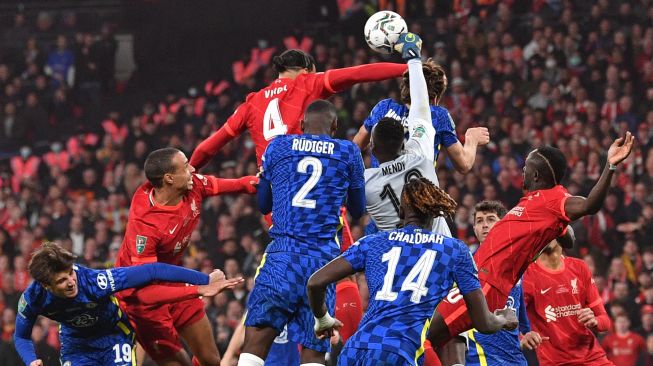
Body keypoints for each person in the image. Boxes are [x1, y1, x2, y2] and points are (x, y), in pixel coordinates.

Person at [429, 132, 635, 361]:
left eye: (525, 166)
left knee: (423, 336)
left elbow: (588, 206)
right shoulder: (537, 203)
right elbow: (566, 236)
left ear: (536, 174)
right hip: (479, 279)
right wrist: (560, 230)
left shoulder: (555, 199)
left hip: (486, 284)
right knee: (431, 339)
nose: (522, 171)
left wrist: (610, 166)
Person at [306, 176, 517, 366]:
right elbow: (484, 323)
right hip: (399, 353)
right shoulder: (454, 250)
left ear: (400, 211)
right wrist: (503, 318)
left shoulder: (373, 243)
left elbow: (315, 282)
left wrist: (322, 319)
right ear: (436, 213)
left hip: (355, 351)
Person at [238, 99, 366, 366]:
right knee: (314, 352)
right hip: (321, 265)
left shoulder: (279, 146)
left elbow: (263, 205)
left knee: (255, 344)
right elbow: (357, 209)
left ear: (301, 125)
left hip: (282, 258)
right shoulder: (347, 152)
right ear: (334, 126)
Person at [115, 147, 258, 366]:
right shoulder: (145, 223)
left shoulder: (191, 186)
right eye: (185, 166)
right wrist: (199, 287)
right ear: (169, 178)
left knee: (211, 361)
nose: (191, 169)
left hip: (175, 282)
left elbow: (233, 184)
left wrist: (257, 182)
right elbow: (145, 289)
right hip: (143, 299)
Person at [14, 243, 243, 366]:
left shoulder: (95, 282)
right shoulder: (33, 298)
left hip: (114, 335)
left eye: (70, 274)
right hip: (77, 345)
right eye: (61, 281)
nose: (71, 282)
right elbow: (21, 336)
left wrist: (203, 282)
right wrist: (31, 360)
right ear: (45, 285)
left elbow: (153, 270)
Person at [190, 49, 407, 168]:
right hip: (308, 176)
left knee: (286, 247)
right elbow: (357, 73)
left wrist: (192, 167)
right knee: (335, 248)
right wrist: (407, 68)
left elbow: (209, 146)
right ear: (305, 70)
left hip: (274, 189)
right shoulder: (307, 83)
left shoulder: (251, 102)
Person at [362, 34, 453, 235]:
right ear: (403, 144)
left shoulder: (368, 182)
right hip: (438, 249)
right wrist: (413, 58)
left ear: (373, 148)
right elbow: (421, 106)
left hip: (395, 254)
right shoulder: (420, 156)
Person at [352, 60, 489, 175]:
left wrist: (365, 181)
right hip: (416, 196)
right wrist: (472, 138)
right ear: (436, 97)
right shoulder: (437, 115)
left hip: (380, 196)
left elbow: (354, 148)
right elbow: (464, 165)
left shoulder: (383, 108)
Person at [462, 200, 538, 366]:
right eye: (479, 221)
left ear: (503, 225)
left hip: (513, 357)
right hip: (479, 356)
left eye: (490, 219)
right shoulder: (465, 264)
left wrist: (527, 333)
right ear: (474, 228)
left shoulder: (516, 264)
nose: (485, 225)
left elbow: (518, 309)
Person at [522, 240, 613, 365]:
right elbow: (510, 319)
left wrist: (595, 321)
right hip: (557, 361)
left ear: (562, 232)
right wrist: (521, 338)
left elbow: (605, 322)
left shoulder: (579, 267)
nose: (545, 234)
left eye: (549, 229)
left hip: (593, 357)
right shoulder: (526, 275)